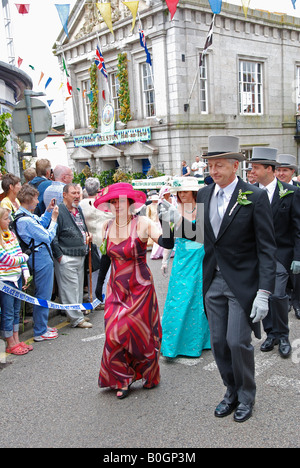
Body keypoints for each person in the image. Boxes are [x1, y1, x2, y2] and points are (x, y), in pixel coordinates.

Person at [159, 135, 277, 423]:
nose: (213, 171)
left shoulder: (254, 196)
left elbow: (267, 247)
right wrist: (168, 217)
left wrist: (264, 291)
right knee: (219, 343)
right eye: (210, 165)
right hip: (211, 281)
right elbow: (192, 235)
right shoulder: (204, 195)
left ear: (235, 166)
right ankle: (231, 391)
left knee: (238, 342)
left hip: (242, 283)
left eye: (219, 165)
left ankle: (247, 396)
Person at [94, 182, 174, 399]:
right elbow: (105, 258)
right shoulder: (106, 226)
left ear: (129, 203)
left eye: (120, 201)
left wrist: (166, 219)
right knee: (113, 334)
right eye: (112, 201)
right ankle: (122, 378)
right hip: (116, 289)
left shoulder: (143, 223)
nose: (116, 205)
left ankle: (148, 373)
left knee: (140, 335)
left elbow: (166, 242)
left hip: (141, 288)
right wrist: (98, 285)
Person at [250, 147, 300, 356]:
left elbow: (298, 228)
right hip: (256, 255)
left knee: (278, 295)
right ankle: (270, 333)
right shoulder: (249, 192)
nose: (251, 172)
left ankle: (283, 335)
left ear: (269, 169)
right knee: (263, 295)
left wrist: (297, 257)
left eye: (255, 168)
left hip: (280, 254)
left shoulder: (291, 193)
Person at [160, 178, 210, 358]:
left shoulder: (203, 209)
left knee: (197, 299)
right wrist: (165, 260)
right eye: (179, 192)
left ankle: (200, 341)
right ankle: (173, 343)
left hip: (199, 258)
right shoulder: (170, 211)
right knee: (177, 299)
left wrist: (180, 221)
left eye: (185, 192)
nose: (181, 195)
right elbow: (167, 240)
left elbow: (203, 236)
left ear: (194, 192)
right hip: (181, 259)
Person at [14, 184, 59, 342]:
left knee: (43, 293)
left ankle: (43, 326)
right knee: (43, 294)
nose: (37, 200)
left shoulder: (23, 215)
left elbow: (40, 223)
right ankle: (40, 331)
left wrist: (47, 212)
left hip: (39, 257)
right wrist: (54, 220)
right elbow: (46, 236)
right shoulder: (26, 220)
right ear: (28, 199)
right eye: (35, 198)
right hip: (41, 258)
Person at [52, 183, 92, 329]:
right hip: (66, 256)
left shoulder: (78, 209)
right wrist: (59, 256)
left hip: (80, 254)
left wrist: (87, 235)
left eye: (78, 193)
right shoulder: (59, 211)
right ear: (65, 194)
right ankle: (76, 319)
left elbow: (82, 228)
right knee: (69, 289)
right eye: (73, 193)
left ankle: (76, 314)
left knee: (77, 288)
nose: (77, 196)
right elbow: (53, 235)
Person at [0, 207, 31, 355]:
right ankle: (9, 342)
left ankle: (16, 339)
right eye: (6, 219)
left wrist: (25, 273)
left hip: (17, 277)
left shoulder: (11, 234)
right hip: (5, 280)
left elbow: (18, 252)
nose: (9, 221)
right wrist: (25, 257)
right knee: (8, 312)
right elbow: (7, 259)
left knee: (16, 311)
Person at [79, 177, 113, 303]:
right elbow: (112, 215)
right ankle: (102, 297)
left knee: (91, 271)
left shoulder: (81, 204)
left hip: (88, 240)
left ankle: (93, 296)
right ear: (98, 189)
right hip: (103, 240)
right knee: (105, 271)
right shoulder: (103, 203)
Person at [275, 154, 300, 320]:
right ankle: (287, 301)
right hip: (277, 244)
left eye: (285, 170)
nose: (281, 173)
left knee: (296, 278)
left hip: (293, 242)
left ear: (292, 172)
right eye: (278, 170)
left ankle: (297, 302)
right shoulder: (272, 189)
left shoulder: (297, 190)